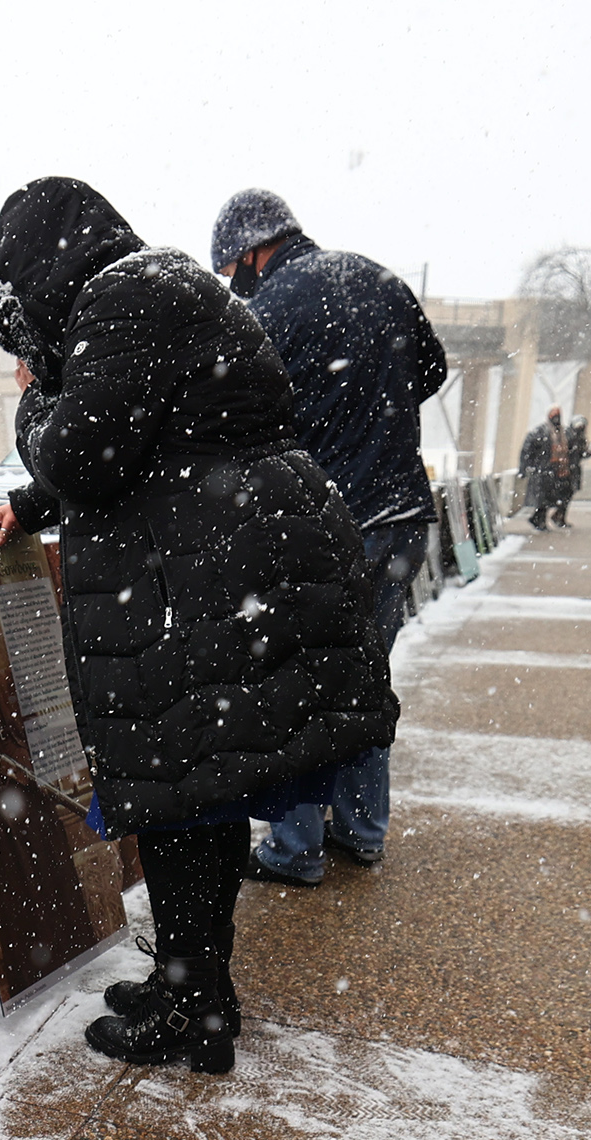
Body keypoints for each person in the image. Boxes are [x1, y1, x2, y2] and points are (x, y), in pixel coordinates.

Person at [0, 177, 396, 1073]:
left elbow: (87, 447)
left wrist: (37, 388)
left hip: (203, 582)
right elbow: (141, 432)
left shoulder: (124, 301)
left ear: (44, 268)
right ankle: (189, 980)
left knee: (182, 797)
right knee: (199, 792)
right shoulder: (155, 289)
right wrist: (29, 501)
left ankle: (197, 1005)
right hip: (228, 568)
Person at [208, 187, 449, 886]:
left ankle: (296, 847)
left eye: (231, 267)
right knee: (367, 679)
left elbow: (242, 420)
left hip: (327, 526)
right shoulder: (377, 278)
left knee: (302, 687)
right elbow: (430, 370)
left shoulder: (268, 312)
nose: (232, 281)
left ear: (254, 250)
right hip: (403, 516)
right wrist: (375, 406)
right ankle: (363, 830)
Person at [0, 535, 93, 993]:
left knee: (52, 866)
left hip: (29, 769)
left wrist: (27, 753)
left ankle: (70, 950)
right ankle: (35, 970)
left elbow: (33, 700)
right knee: (19, 880)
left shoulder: (3, 634)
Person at [519, 406, 571, 531]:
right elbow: (527, 450)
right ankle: (539, 520)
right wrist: (525, 468)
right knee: (543, 498)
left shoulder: (562, 433)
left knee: (550, 498)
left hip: (556, 471)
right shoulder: (540, 432)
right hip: (543, 471)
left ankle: (539, 519)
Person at [554, 414, 591, 527]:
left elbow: (580, 454)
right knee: (564, 494)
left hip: (573, 470)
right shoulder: (568, 436)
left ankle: (560, 516)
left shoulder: (580, 438)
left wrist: (589, 452)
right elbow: (567, 452)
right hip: (566, 469)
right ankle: (558, 516)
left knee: (568, 495)